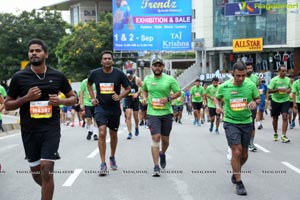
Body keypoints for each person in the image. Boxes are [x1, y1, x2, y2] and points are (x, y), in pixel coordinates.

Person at [4, 38, 77, 200]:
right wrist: (26, 98)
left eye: (38, 50)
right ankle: (48, 189)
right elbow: (8, 105)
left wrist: (61, 101)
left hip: (50, 129)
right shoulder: (19, 77)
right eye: (31, 51)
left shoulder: (57, 75)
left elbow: (74, 99)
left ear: (46, 54)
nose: (34, 53)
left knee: (46, 168)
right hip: (29, 130)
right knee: (37, 173)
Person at [214, 62, 260, 196]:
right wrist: (217, 106)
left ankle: (236, 172)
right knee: (236, 150)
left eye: (243, 76)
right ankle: (239, 183)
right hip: (230, 122)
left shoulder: (250, 85)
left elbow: (257, 99)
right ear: (232, 73)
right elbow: (217, 98)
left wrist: (254, 102)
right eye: (238, 76)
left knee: (244, 154)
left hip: (246, 122)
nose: (241, 78)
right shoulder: (224, 86)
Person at [87, 50, 131, 176]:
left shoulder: (119, 74)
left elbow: (128, 89)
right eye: (105, 59)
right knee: (102, 132)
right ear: (101, 61)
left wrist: (120, 96)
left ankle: (112, 156)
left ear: (112, 60)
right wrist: (92, 98)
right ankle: (102, 163)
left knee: (113, 134)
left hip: (114, 109)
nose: (107, 60)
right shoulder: (95, 73)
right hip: (100, 107)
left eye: (109, 58)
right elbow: (89, 84)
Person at [142, 58, 181, 177]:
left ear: (163, 67)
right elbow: (144, 90)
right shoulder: (147, 79)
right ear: (152, 67)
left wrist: (168, 98)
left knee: (165, 140)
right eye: (155, 65)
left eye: (159, 65)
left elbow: (178, 92)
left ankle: (162, 153)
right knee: (156, 137)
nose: (157, 67)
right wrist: (144, 98)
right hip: (153, 113)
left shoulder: (169, 79)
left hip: (166, 113)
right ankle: (155, 166)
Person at [268, 64, 292, 143]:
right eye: (282, 71)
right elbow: (269, 91)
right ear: (279, 72)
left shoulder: (288, 80)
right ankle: (275, 133)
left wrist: (289, 90)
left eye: (285, 71)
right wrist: (277, 90)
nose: (284, 73)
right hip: (275, 100)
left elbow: (290, 88)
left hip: (285, 100)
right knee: (275, 118)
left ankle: (283, 135)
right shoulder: (274, 80)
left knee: (285, 116)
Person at [124, 68, 143, 139]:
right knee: (128, 116)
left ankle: (136, 127)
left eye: (130, 75)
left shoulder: (137, 79)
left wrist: (137, 93)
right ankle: (129, 133)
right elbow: (121, 88)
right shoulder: (124, 79)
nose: (129, 77)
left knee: (136, 117)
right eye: (128, 75)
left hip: (135, 99)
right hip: (128, 99)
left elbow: (143, 87)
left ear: (132, 74)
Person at [245, 61, 259, 152]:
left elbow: (257, 91)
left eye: (251, 68)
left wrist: (256, 101)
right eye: (247, 68)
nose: (249, 70)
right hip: (240, 105)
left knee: (251, 124)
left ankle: (251, 143)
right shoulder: (240, 77)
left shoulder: (256, 78)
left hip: (251, 105)